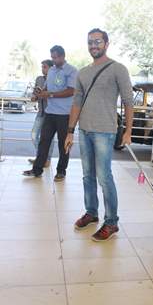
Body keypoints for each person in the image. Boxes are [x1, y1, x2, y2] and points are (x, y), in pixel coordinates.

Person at [64, 28, 133, 242]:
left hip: (105, 131)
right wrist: (70, 131)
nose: (94, 45)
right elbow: (76, 103)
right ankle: (92, 212)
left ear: (106, 43)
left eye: (98, 42)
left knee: (104, 177)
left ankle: (111, 222)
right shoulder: (83, 73)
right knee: (87, 175)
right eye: (90, 42)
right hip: (84, 130)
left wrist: (129, 130)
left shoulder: (118, 69)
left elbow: (129, 102)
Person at [23, 45, 78, 182]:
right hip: (50, 113)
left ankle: (61, 172)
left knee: (63, 144)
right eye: (52, 57)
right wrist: (39, 93)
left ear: (62, 56)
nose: (53, 60)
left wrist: (50, 95)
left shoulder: (71, 71)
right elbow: (46, 87)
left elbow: (71, 91)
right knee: (43, 142)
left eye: (56, 57)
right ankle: (37, 170)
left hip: (65, 115)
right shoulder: (52, 70)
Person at [29, 59, 54, 167]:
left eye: (45, 67)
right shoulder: (39, 79)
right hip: (40, 112)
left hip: (51, 113)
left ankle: (46, 160)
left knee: (49, 138)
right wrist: (34, 97)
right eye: (42, 67)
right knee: (34, 135)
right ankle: (41, 157)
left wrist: (45, 95)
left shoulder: (54, 79)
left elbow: (54, 96)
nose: (42, 69)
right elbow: (34, 95)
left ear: (51, 68)